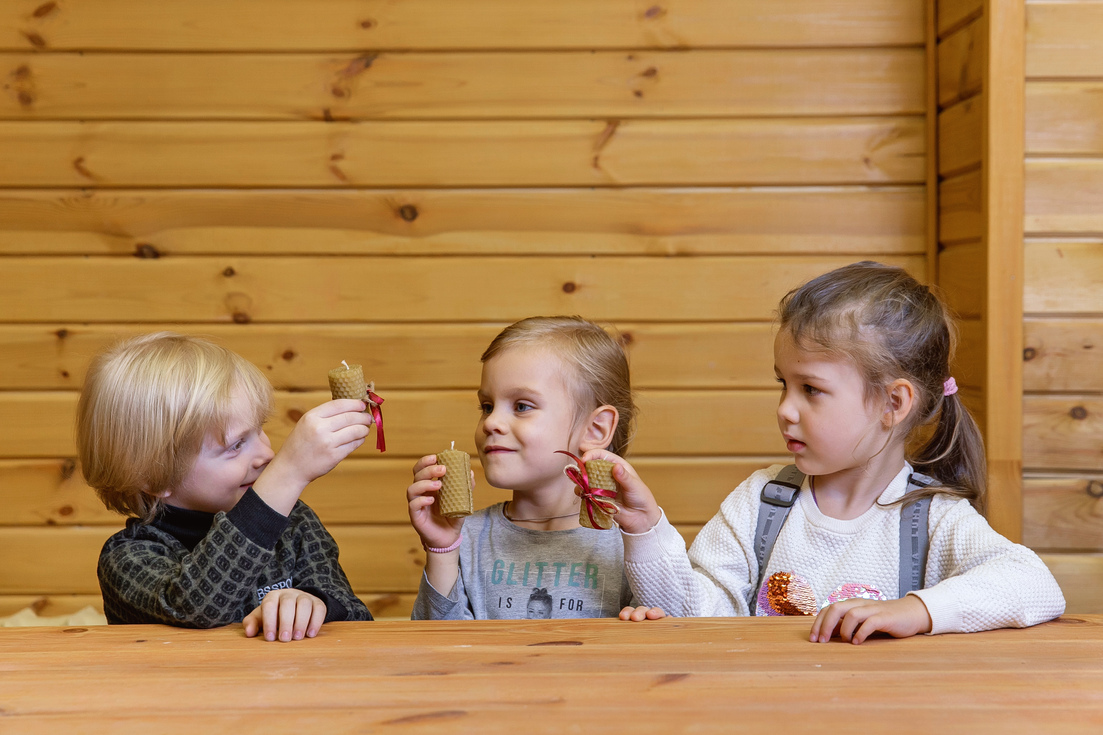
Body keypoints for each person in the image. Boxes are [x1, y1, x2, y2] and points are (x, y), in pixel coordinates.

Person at [600, 262, 1065, 642]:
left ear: (893, 403)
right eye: (784, 385)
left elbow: (1034, 585)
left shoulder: (933, 517)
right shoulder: (760, 501)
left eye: (812, 390)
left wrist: (918, 610)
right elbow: (694, 617)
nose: (786, 409)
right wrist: (645, 532)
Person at [78, 332, 374, 641]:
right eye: (235, 445)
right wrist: (288, 473)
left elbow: (359, 619)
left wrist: (318, 605)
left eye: (260, 430)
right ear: (154, 477)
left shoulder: (294, 523)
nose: (268, 455)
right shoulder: (127, 557)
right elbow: (198, 607)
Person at [407, 316, 662, 620]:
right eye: (487, 406)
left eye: (522, 406)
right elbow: (438, 652)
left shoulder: (632, 545)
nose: (491, 422)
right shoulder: (465, 536)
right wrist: (442, 551)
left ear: (594, 429)